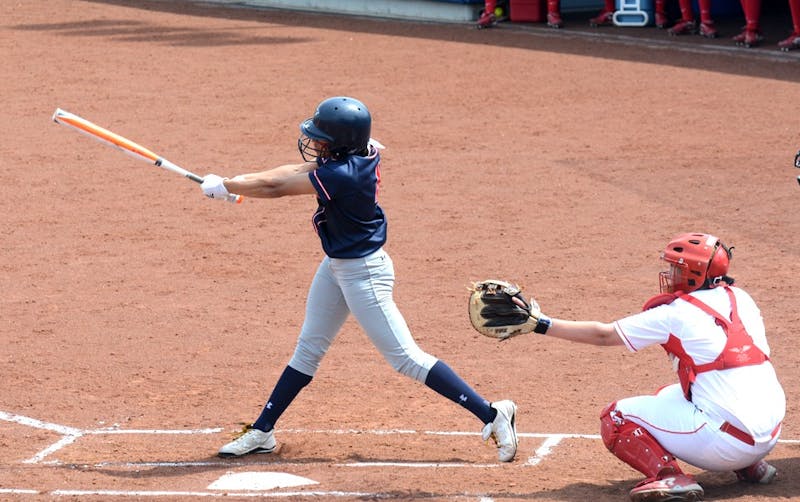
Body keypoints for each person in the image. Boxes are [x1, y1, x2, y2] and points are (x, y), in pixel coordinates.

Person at [200, 96, 518, 463]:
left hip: (363, 273)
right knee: (309, 348)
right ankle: (263, 431)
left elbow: (278, 187)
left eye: (322, 138)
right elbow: (296, 169)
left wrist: (230, 186)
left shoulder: (343, 174)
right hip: (339, 266)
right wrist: (235, 182)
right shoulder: (357, 153)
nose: (315, 143)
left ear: (339, 142)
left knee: (406, 359)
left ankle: (494, 414)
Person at [514, 233, 786, 501]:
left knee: (616, 418)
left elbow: (604, 335)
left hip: (725, 444)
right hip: (769, 435)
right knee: (671, 394)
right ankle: (750, 467)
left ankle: (669, 477)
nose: (670, 273)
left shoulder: (674, 314)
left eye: (675, 268)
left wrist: (541, 324)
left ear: (694, 273)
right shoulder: (741, 297)